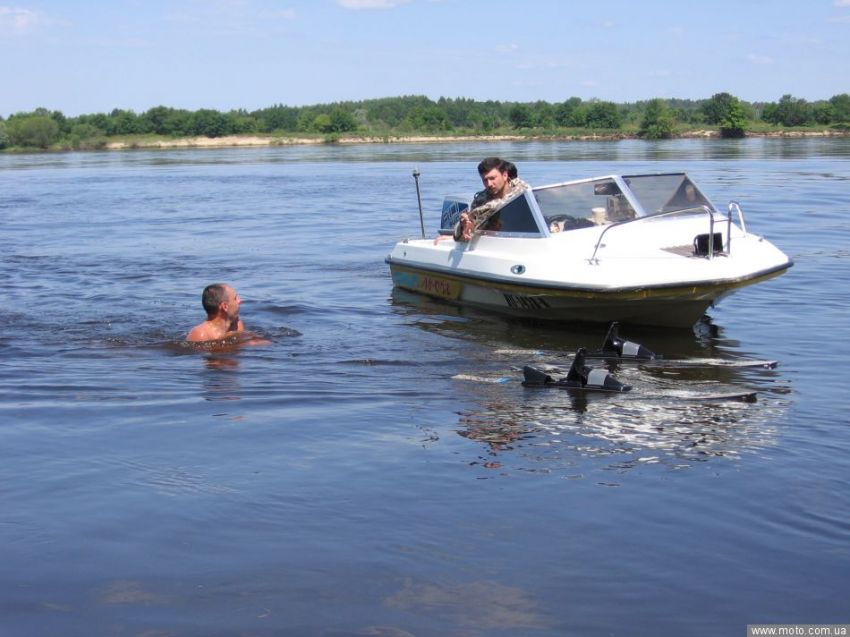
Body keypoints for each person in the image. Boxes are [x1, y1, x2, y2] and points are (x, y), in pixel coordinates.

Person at [454, 157, 529, 241]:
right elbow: (467, 233)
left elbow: (503, 203)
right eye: (485, 180)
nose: (489, 184)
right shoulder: (480, 201)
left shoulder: (522, 193)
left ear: (504, 175)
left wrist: (474, 216)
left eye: (492, 178)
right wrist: (464, 224)